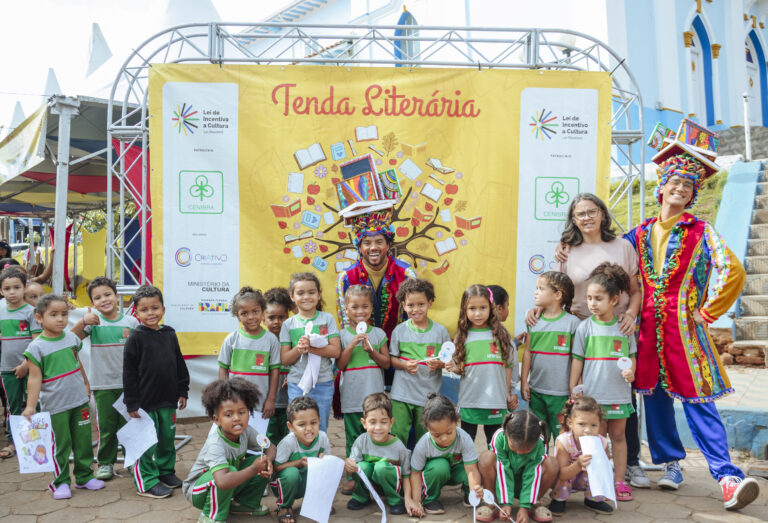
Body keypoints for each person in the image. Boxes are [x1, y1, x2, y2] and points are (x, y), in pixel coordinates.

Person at [623, 143, 760, 510]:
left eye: (689, 186)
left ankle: (728, 477)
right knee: (653, 398)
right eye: (676, 183)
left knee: (699, 399)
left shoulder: (701, 230)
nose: (681, 189)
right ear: (661, 187)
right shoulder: (637, 234)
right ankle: (671, 464)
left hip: (684, 330)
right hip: (647, 329)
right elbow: (609, 258)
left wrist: (709, 310)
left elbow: (733, 269)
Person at [542, 192, 648, 489]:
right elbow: (558, 291)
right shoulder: (567, 250)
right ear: (573, 220)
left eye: (591, 211)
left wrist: (630, 314)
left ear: (603, 213)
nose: (586, 218)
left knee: (622, 400)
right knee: (582, 399)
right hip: (580, 328)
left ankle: (632, 465)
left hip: (618, 327)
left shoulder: (623, 247)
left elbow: (636, 290)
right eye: (579, 214)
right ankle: (582, 470)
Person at [23, 294, 104, 499]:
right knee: (61, 445)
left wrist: (86, 383)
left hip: (79, 401)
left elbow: (77, 363)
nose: (60, 319)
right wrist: (31, 407)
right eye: (54, 315)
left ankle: (84, 477)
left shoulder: (71, 338)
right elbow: (33, 379)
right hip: (55, 406)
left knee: (83, 441)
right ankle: (61, 482)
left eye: (64, 314)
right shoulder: (36, 347)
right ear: (39, 318)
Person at [569, 262, 636, 502]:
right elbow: (577, 360)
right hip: (593, 398)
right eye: (589, 298)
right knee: (596, 441)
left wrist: (631, 373)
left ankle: (619, 481)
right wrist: (573, 386)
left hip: (618, 394)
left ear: (614, 299)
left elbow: (632, 358)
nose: (592, 303)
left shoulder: (624, 328)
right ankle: (598, 482)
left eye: (598, 298)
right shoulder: (584, 328)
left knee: (618, 438)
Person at [123, 284, 190, 499]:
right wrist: (132, 403)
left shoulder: (169, 334)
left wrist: (183, 390)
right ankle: (147, 481)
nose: (150, 313)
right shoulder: (135, 338)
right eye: (144, 310)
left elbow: (179, 363)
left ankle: (165, 471)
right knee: (146, 444)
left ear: (163, 309)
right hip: (144, 404)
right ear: (136, 312)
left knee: (166, 439)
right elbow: (129, 373)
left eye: (155, 308)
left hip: (168, 401)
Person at [71, 277, 139, 480]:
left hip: (129, 386)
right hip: (102, 385)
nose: (104, 300)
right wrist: (82, 321)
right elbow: (70, 341)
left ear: (117, 296)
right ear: (92, 303)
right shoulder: (93, 322)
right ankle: (106, 463)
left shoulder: (132, 322)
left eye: (108, 294)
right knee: (106, 427)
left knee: (129, 425)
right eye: (98, 297)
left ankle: (132, 461)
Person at [182, 378, 275, 522]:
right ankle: (211, 517)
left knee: (261, 461)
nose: (237, 418)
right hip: (197, 491)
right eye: (229, 414)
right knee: (231, 471)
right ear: (217, 420)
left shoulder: (247, 432)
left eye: (242, 412)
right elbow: (223, 482)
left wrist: (267, 461)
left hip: (226, 483)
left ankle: (244, 504)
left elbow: (271, 447)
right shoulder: (215, 444)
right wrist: (254, 469)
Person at [446, 284, 517, 445]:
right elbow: (461, 368)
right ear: (465, 309)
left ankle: (493, 470)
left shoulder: (501, 334)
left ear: (491, 308)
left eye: (483, 308)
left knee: (495, 446)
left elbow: (508, 366)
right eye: (472, 308)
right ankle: (467, 471)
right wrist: (455, 368)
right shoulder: (461, 335)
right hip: (469, 400)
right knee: (466, 444)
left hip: (495, 401)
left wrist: (507, 393)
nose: (477, 313)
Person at [337, 285, 390, 494]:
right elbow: (340, 365)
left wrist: (372, 351)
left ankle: (374, 473)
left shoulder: (378, 333)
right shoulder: (341, 335)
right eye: (354, 307)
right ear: (346, 309)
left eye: (365, 307)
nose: (360, 311)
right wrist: (351, 346)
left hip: (375, 398)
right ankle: (352, 476)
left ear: (371, 309)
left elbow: (386, 363)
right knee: (353, 437)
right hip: (351, 396)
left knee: (376, 434)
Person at [520, 272, 580, 447]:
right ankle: (542, 471)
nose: (535, 292)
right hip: (536, 391)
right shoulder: (533, 321)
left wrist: (576, 387)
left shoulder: (572, 323)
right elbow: (527, 353)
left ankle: (562, 472)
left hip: (561, 395)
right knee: (539, 438)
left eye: (540, 288)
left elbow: (577, 359)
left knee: (563, 438)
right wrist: (524, 382)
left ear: (557, 295)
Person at [336, 209, 416, 338]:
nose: (373, 248)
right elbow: (346, 323)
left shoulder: (406, 275)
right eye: (367, 243)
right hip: (361, 348)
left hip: (397, 348)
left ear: (388, 245)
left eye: (379, 242)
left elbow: (412, 318)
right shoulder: (346, 278)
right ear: (359, 248)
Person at [389, 278, 450, 445]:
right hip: (402, 394)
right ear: (403, 305)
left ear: (430, 303)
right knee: (398, 434)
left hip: (428, 397)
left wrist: (440, 364)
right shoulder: (399, 331)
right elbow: (392, 360)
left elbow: (448, 361)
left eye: (421, 304)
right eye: (410, 305)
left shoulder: (440, 332)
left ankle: (421, 469)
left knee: (425, 437)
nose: (416, 309)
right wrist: (403, 365)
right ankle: (397, 468)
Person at [279, 272, 341, 433]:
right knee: (299, 426)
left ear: (319, 295)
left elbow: (335, 351)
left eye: (311, 292)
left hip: (323, 383)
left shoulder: (327, 319)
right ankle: (301, 458)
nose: (306, 297)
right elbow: (285, 359)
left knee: (319, 427)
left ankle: (319, 457)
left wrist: (311, 348)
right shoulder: (288, 324)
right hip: (297, 384)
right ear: (292, 296)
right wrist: (299, 349)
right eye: (300, 293)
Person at [477, 411, 559, 523]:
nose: (519, 452)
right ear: (506, 432)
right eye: (515, 448)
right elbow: (503, 470)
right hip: (500, 482)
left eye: (526, 450)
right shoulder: (499, 437)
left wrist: (524, 506)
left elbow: (533, 473)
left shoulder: (540, 442)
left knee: (552, 464)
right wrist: (506, 503)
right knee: (486, 458)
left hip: (525, 482)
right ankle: (493, 503)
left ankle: (533, 503)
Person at [409, 393, 483, 516]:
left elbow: (471, 470)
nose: (444, 438)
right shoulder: (423, 444)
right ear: (427, 429)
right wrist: (416, 502)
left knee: (474, 467)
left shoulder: (464, 438)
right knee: (440, 466)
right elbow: (415, 474)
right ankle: (430, 499)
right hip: (434, 475)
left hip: (455, 473)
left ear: (456, 422)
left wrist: (475, 489)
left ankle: (468, 494)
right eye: (437, 435)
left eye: (449, 432)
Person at [344, 392, 415, 515]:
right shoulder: (361, 441)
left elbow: (406, 475)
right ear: (364, 423)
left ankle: (395, 501)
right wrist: (348, 465)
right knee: (362, 466)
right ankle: (362, 497)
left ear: (391, 423)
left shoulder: (398, 446)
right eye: (372, 422)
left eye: (383, 422)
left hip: (392, 486)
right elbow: (351, 471)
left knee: (381, 467)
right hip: (371, 485)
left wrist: (408, 498)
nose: (378, 427)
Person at [218, 287, 281, 422]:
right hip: (235, 401)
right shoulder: (231, 339)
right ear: (237, 315)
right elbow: (223, 369)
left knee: (258, 440)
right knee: (237, 437)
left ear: (263, 312)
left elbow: (275, 371)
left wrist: (271, 399)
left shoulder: (271, 340)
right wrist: (225, 396)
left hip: (261, 404)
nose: (251, 317)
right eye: (244, 313)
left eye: (255, 311)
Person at [0, 267, 41, 459]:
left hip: (31, 369)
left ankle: (39, 439)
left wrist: (26, 364)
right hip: (7, 368)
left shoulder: (31, 312)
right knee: (12, 406)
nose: (12, 292)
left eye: (16, 287)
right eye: (7, 289)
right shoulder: (0, 308)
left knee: (35, 403)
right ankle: (15, 441)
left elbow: (36, 342)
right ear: (1, 291)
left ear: (25, 288)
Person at [270, 396, 331, 523]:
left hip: (305, 481)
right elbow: (276, 468)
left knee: (326, 468)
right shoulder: (288, 443)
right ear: (290, 426)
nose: (309, 429)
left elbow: (327, 460)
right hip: (284, 484)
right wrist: (298, 463)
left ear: (319, 421)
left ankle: (317, 502)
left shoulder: (323, 438)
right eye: (302, 424)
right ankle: (284, 506)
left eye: (313, 423)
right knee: (292, 472)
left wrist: (323, 459)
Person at [548, 396, 613, 516]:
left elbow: (605, 467)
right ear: (570, 423)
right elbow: (562, 474)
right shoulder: (564, 441)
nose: (587, 430)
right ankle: (559, 498)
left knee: (599, 470)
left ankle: (593, 500)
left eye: (594, 425)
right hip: (566, 478)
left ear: (600, 424)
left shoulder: (602, 442)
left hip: (585, 479)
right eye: (581, 424)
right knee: (561, 473)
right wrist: (578, 464)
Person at [263, 287, 294, 445]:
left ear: (288, 317)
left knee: (289, 437)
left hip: (290, 400)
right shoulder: (262, 341)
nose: (276, 321)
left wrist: (294, 377)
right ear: (263, 318)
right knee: (270, 437)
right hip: (269, 402)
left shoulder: (293, 338)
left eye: (281, 317)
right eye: (271, 317)